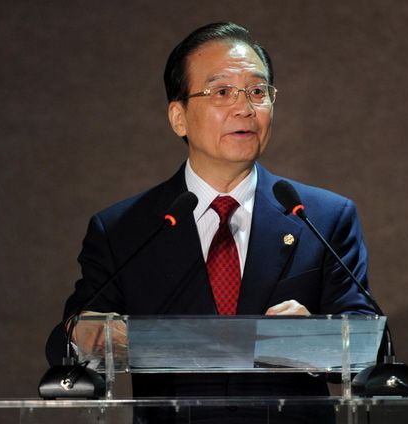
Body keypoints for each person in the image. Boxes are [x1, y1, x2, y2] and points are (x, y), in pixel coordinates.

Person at [46, 22, 375, 423]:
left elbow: (366, 345)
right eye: (222, 92)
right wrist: (88, 336)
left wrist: (315, 339)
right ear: (178, 117)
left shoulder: (322, 217)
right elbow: (65, 341)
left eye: (257, 92)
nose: (245, 108)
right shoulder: (124, 229)